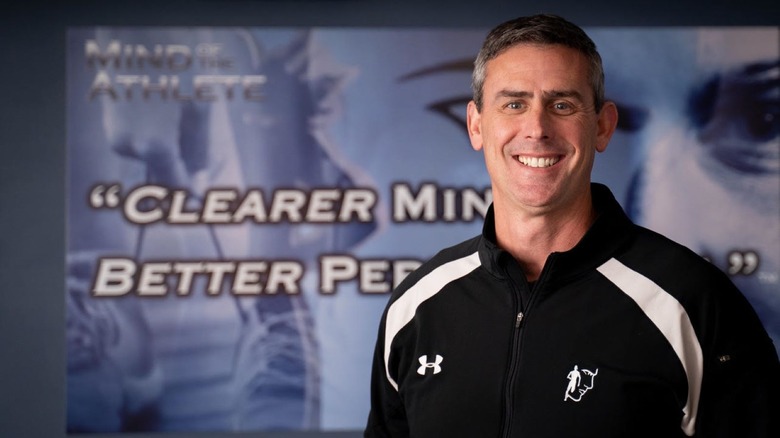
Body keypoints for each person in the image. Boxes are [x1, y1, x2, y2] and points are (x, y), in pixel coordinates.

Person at [364, 14, 779, 437]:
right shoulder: (416, 307)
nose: (537, 128)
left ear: (602, 125)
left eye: (562, 105)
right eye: (514, 104)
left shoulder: (695, 302)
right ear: (476, 125)